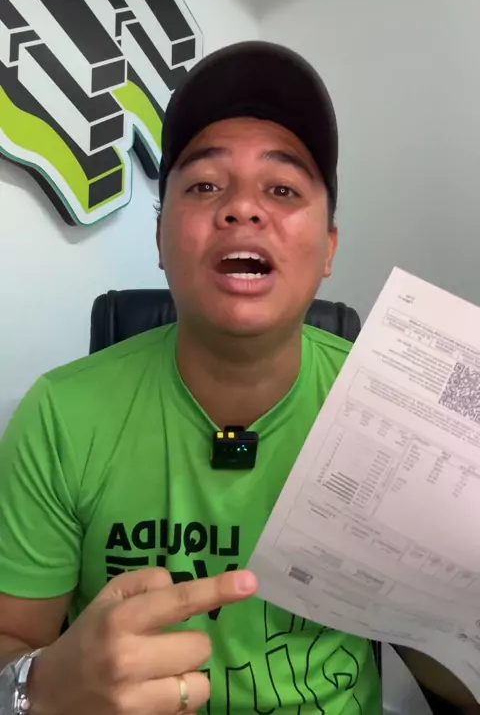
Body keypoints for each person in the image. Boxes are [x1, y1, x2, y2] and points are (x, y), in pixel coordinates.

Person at [0, 42, 475, 715]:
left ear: (329, 249)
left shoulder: (411, 424)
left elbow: (449, 677)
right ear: (160, 239)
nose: (243, 209)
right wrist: (41, 689)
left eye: (282, 189)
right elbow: (15, 641)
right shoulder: (59, 415)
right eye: (204, 185)